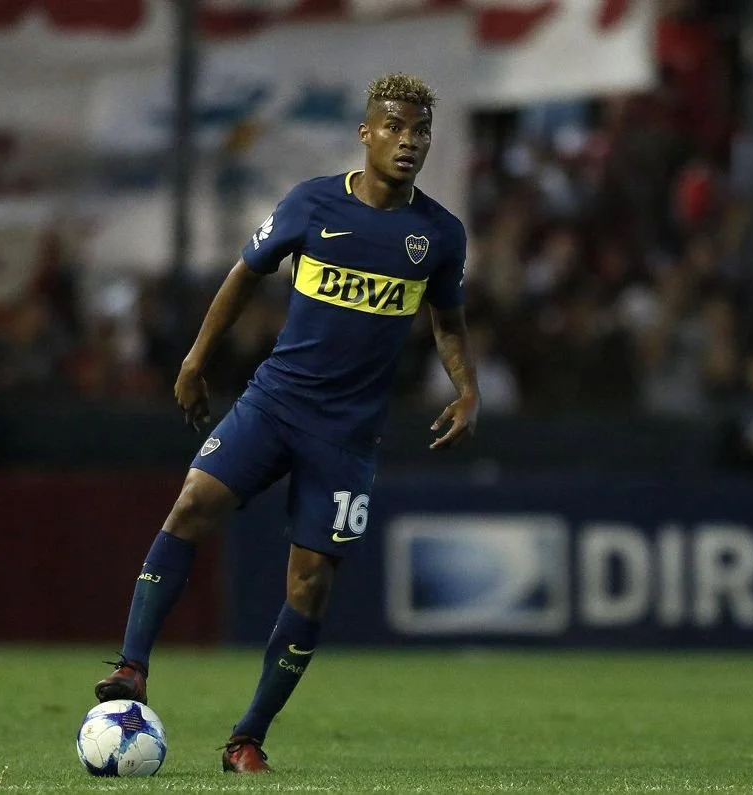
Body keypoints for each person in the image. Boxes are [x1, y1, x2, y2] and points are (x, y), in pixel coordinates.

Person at [93, 74, 480, 773]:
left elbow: (447, 321)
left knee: (310, 585)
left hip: (348, 436)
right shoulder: (311, 203)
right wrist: (195, 359)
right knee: (193, 503)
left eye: (421, 131)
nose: (409, 142)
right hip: (276, 403)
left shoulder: (440, 234)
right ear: (366, 133)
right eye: (395, 127)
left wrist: (467, 388)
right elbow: (244, 273)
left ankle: (246, 738)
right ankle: (132, 668)